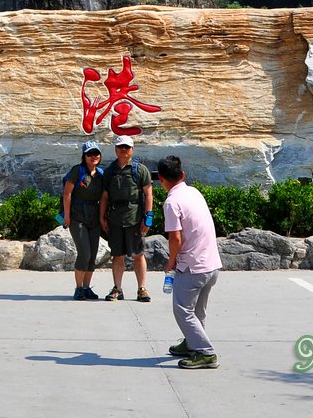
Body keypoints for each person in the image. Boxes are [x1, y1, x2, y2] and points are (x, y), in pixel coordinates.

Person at [159, 154, 221, 369]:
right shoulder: (193, 192)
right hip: (211, 265)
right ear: (182, 174)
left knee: (182, 310)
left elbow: (175, 237)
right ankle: (191, 343)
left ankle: (205, 352)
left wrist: (171, 261)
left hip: (193, 266)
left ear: (161, 179)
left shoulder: (171, 202)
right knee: (197, 311)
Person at [99, 134, 153, 302]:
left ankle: (142, 289)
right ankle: (117, 288)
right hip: (115, 219)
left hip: (134, 218)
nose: (124, 150)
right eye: (121, 147)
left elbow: (148, 194)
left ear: (132, 149)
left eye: (127, 147)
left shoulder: (140, 169)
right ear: (116, 149)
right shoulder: (109, 171)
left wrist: (148, 218)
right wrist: (102, 217)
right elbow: (105, 197)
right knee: (118, 255)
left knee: (138, 254)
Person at [61, 142, 105, 300]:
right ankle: (78, 288)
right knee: (84, 253)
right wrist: (67, 216)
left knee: (92, 255)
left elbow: (104, 197)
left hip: (93, 218)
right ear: (84, 156)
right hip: (77, 217)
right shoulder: (77, 171)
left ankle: (87, 288)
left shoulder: (100, 174)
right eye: (90, 154)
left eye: (96, 153)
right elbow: (67, 194)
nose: (94, 156)